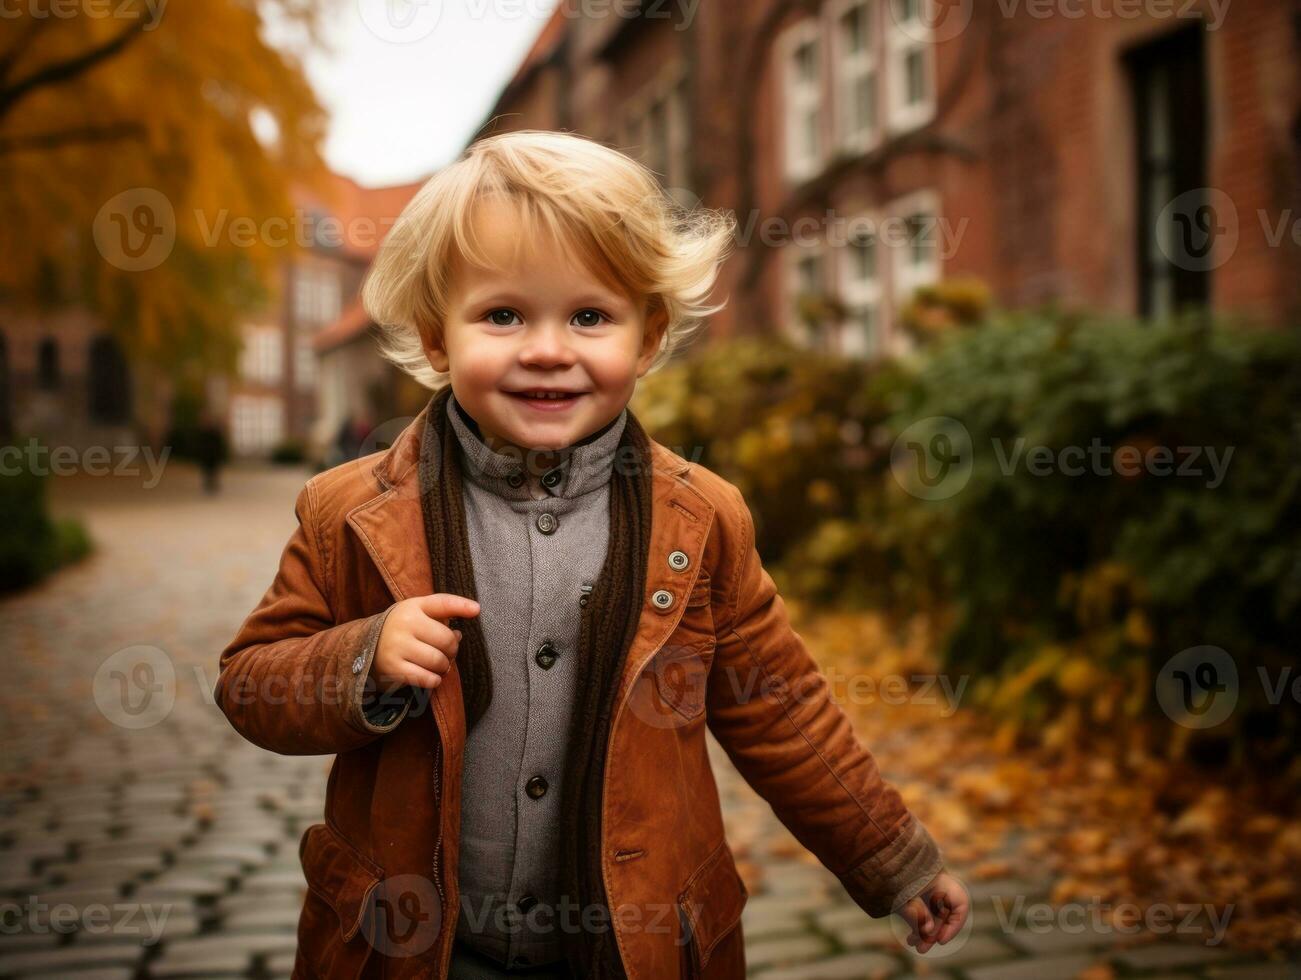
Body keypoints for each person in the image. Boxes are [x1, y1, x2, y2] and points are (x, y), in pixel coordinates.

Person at [214, 130, 968, 980]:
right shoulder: (348, 513)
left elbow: (781, 709)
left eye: (588, 316)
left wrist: (892, 857)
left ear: (645, 340)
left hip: (628, 946)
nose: (546, 348)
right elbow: (250, 682)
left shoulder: (702, 521)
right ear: (436, 340)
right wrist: (362, 660)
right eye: (502, 315)